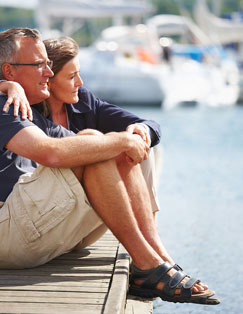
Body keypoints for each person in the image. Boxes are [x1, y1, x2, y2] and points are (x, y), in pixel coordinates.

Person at [0, 27, 219, 305]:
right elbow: (50, 153)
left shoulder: (23, 107)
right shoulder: (5, 104)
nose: (48, 71)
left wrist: (127, 139)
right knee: (101, 143)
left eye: (48, 63)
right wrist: (120, 141)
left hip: (30, 232)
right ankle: (148, 265)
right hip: (7, 236)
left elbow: (76, 147)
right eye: (39, 64)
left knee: (106, 145)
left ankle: (154, 258)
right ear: (9, 71)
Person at [0, 36, 161, 221]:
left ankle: (148, 226)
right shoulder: (25, 108)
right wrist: (6, 85)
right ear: (49, 79)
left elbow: (151, 125)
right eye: (71, 76)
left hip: (80, 193)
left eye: (78, 73)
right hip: (41, 201)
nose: (80, 82)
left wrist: (142, 130)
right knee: (109, 143)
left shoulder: (84, 101)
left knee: (139, 141)